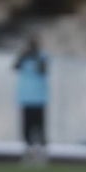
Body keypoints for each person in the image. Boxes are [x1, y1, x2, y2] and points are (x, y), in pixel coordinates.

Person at [13, 35, 49, 164]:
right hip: (26, 98)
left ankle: (41, 153)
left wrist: (35, 56)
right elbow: (15, 67)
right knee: (26, 128)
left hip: (39, 99)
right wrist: (24, 55)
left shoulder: (42, 56)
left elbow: (43, 69)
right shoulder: (24, 56)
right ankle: (28, 152)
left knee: (40, 127)